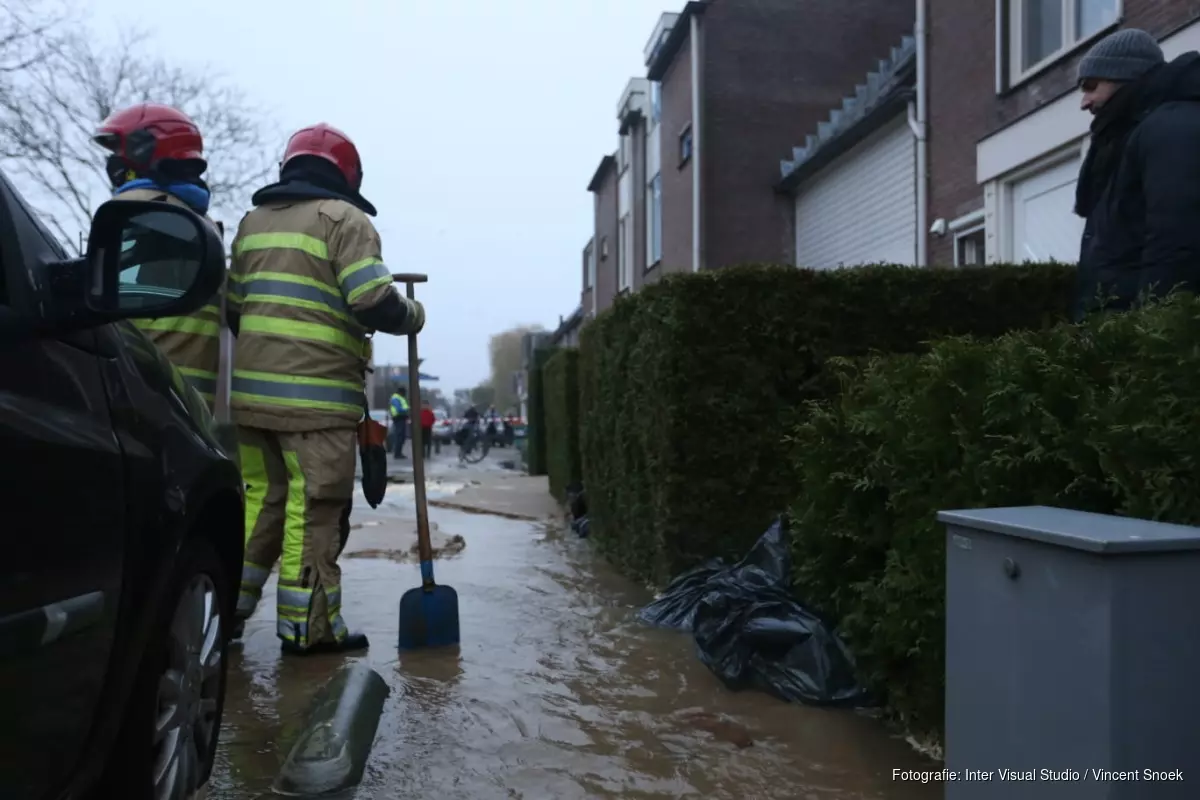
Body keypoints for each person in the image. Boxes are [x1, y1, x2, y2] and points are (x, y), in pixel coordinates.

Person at [228, 122, 425, 654]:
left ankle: (222, 615)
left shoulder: (251, 225)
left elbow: (234, 309)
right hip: (316, 407)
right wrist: (414, 315)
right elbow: (372, 300)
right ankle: (308, 631)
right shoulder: (343, 219)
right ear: (347, 176)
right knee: (315, 509)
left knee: (261, 504)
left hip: (250, 404)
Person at [93, 103, 224, 407]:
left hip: (135, 386)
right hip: (192, 401)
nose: (113, 160)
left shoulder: (133, 207)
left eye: (118, 149)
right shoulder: (200, 220)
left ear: (143, 149)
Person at [1073, 28, 1200, 320]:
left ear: (1125, 76)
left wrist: (1154, 330)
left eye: (1091, 85)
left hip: (1140, 332)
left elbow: (1177, 244)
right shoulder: (1130, 135)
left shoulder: (1170, 129)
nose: (1084, 102)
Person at [389, 385, 410, 458]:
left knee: (401, 436)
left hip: (401, 418)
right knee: (399, 436)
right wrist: (407, 409)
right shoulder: (396, 398)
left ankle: (398, 453)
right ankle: (397, 453)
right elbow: (399, 409)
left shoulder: (400, 398)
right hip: (398, 418)